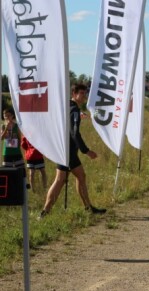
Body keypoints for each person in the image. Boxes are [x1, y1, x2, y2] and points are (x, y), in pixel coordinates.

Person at [39, 84, 106, 219]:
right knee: (60, 180)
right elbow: (74, 133)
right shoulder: (74, 109)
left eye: (85, 93)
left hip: (66, 150)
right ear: (74, 94)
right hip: (67, 151)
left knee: (81, 176)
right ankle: (45, 212)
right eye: (81, 93)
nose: (84, 96)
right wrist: (86, 151)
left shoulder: (67, 107)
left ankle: (88, 207)